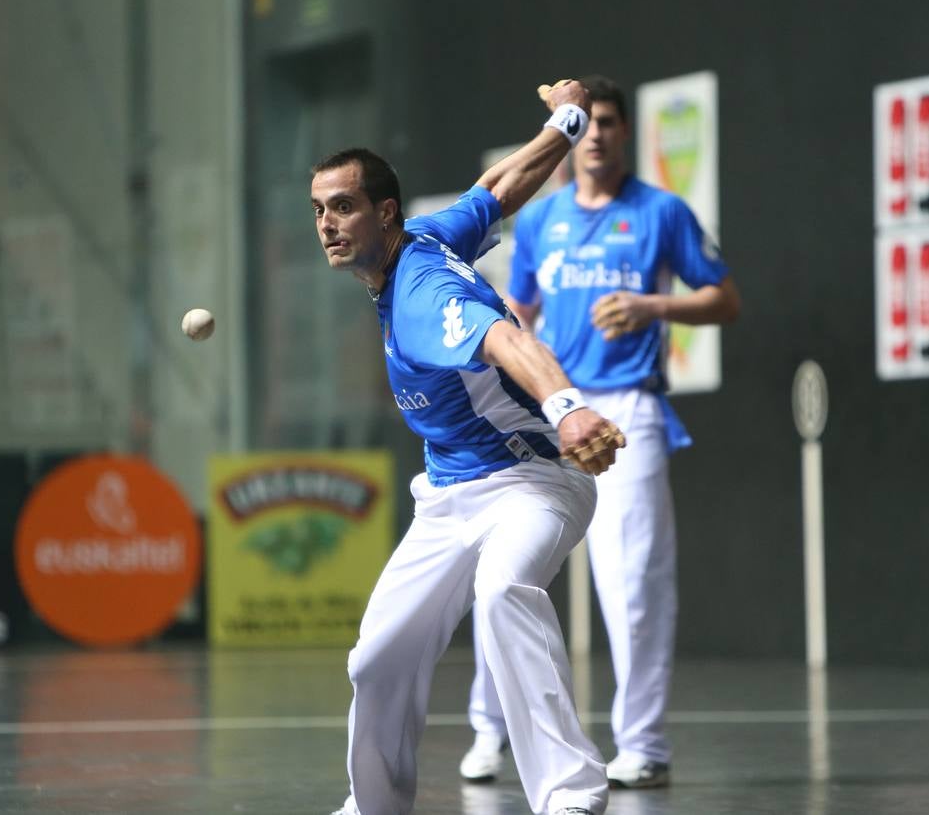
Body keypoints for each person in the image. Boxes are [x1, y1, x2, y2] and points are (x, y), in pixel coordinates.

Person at [317, 79, 623, 815]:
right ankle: (375, 805)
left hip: (533, 482)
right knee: (378, 656)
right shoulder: (423, 235)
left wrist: (569, 409)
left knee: (504, 591)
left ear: (383, 212)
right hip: (449, 496)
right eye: (320, 209)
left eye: (344, 207)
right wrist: (567, 123)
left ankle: (569, 792)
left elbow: (507, 340)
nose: (327, 223)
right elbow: (498, 187)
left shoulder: (422, 297)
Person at [457, 75, 741, 791]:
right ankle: (490, 731)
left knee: (635, 582)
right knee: (504, 573)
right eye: (590, 123)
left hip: (630, 412)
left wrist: (652, 306)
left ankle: (642, 743)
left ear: (625, 132)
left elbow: (724, 299)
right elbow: (516, 312)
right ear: (571, 135)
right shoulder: (542, 221)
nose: (599, 135)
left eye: (611, 122)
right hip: (549, 410)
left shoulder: (662, 212)